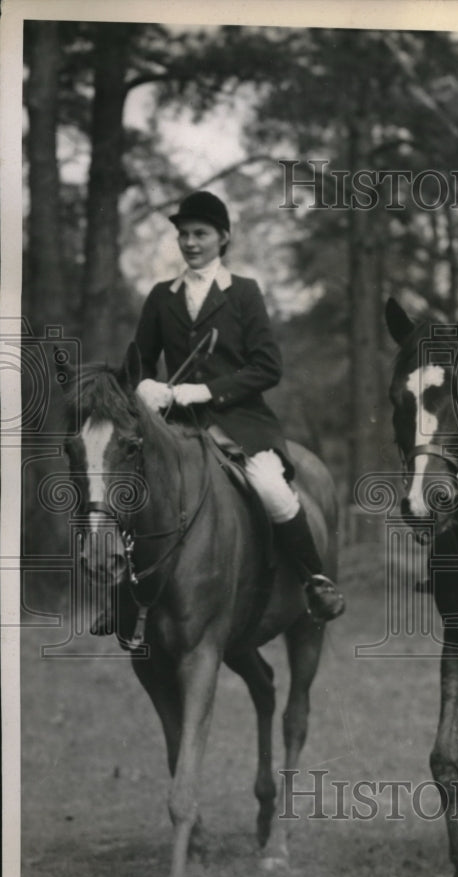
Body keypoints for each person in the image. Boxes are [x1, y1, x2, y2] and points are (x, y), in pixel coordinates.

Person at [133, 190, 346, 621]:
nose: (191, 243)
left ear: (223, 237)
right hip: (175, 424)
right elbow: (136, 362)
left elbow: (268, 367)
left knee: (272, 487)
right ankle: (123, 594)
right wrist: (144, 388)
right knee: (130, 488)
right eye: (184, 235)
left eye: (201, 234)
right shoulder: (161, 296)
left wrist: (208, 392)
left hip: (240, 422)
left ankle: (313, 580)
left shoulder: (244, 292)